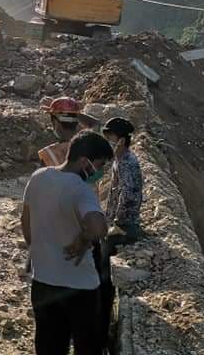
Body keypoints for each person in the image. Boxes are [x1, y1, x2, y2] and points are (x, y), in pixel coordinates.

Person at [22, 131, 114, 355]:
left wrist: (38, 251)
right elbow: (98, 228)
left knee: (49, 345)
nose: (100, 172)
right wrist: (84, 239)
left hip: (43, 282)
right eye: (99, 165)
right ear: (84, 162)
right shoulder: (81, 190)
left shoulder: (39, 177)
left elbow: (25, 220)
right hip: (79, 287)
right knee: (87, 347)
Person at [102, 117, 143, 245]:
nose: (108, 143)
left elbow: (128, 195)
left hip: (125, 227)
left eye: (110, 139)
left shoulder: (126, 162)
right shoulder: (119, 159)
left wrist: (117, 222)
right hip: (119, 223)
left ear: (122, 141)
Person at [37, 97, 82, 167]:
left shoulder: (49, 154)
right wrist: (72, 112)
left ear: (55, 122)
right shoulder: (88, 146)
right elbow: (95, 123)